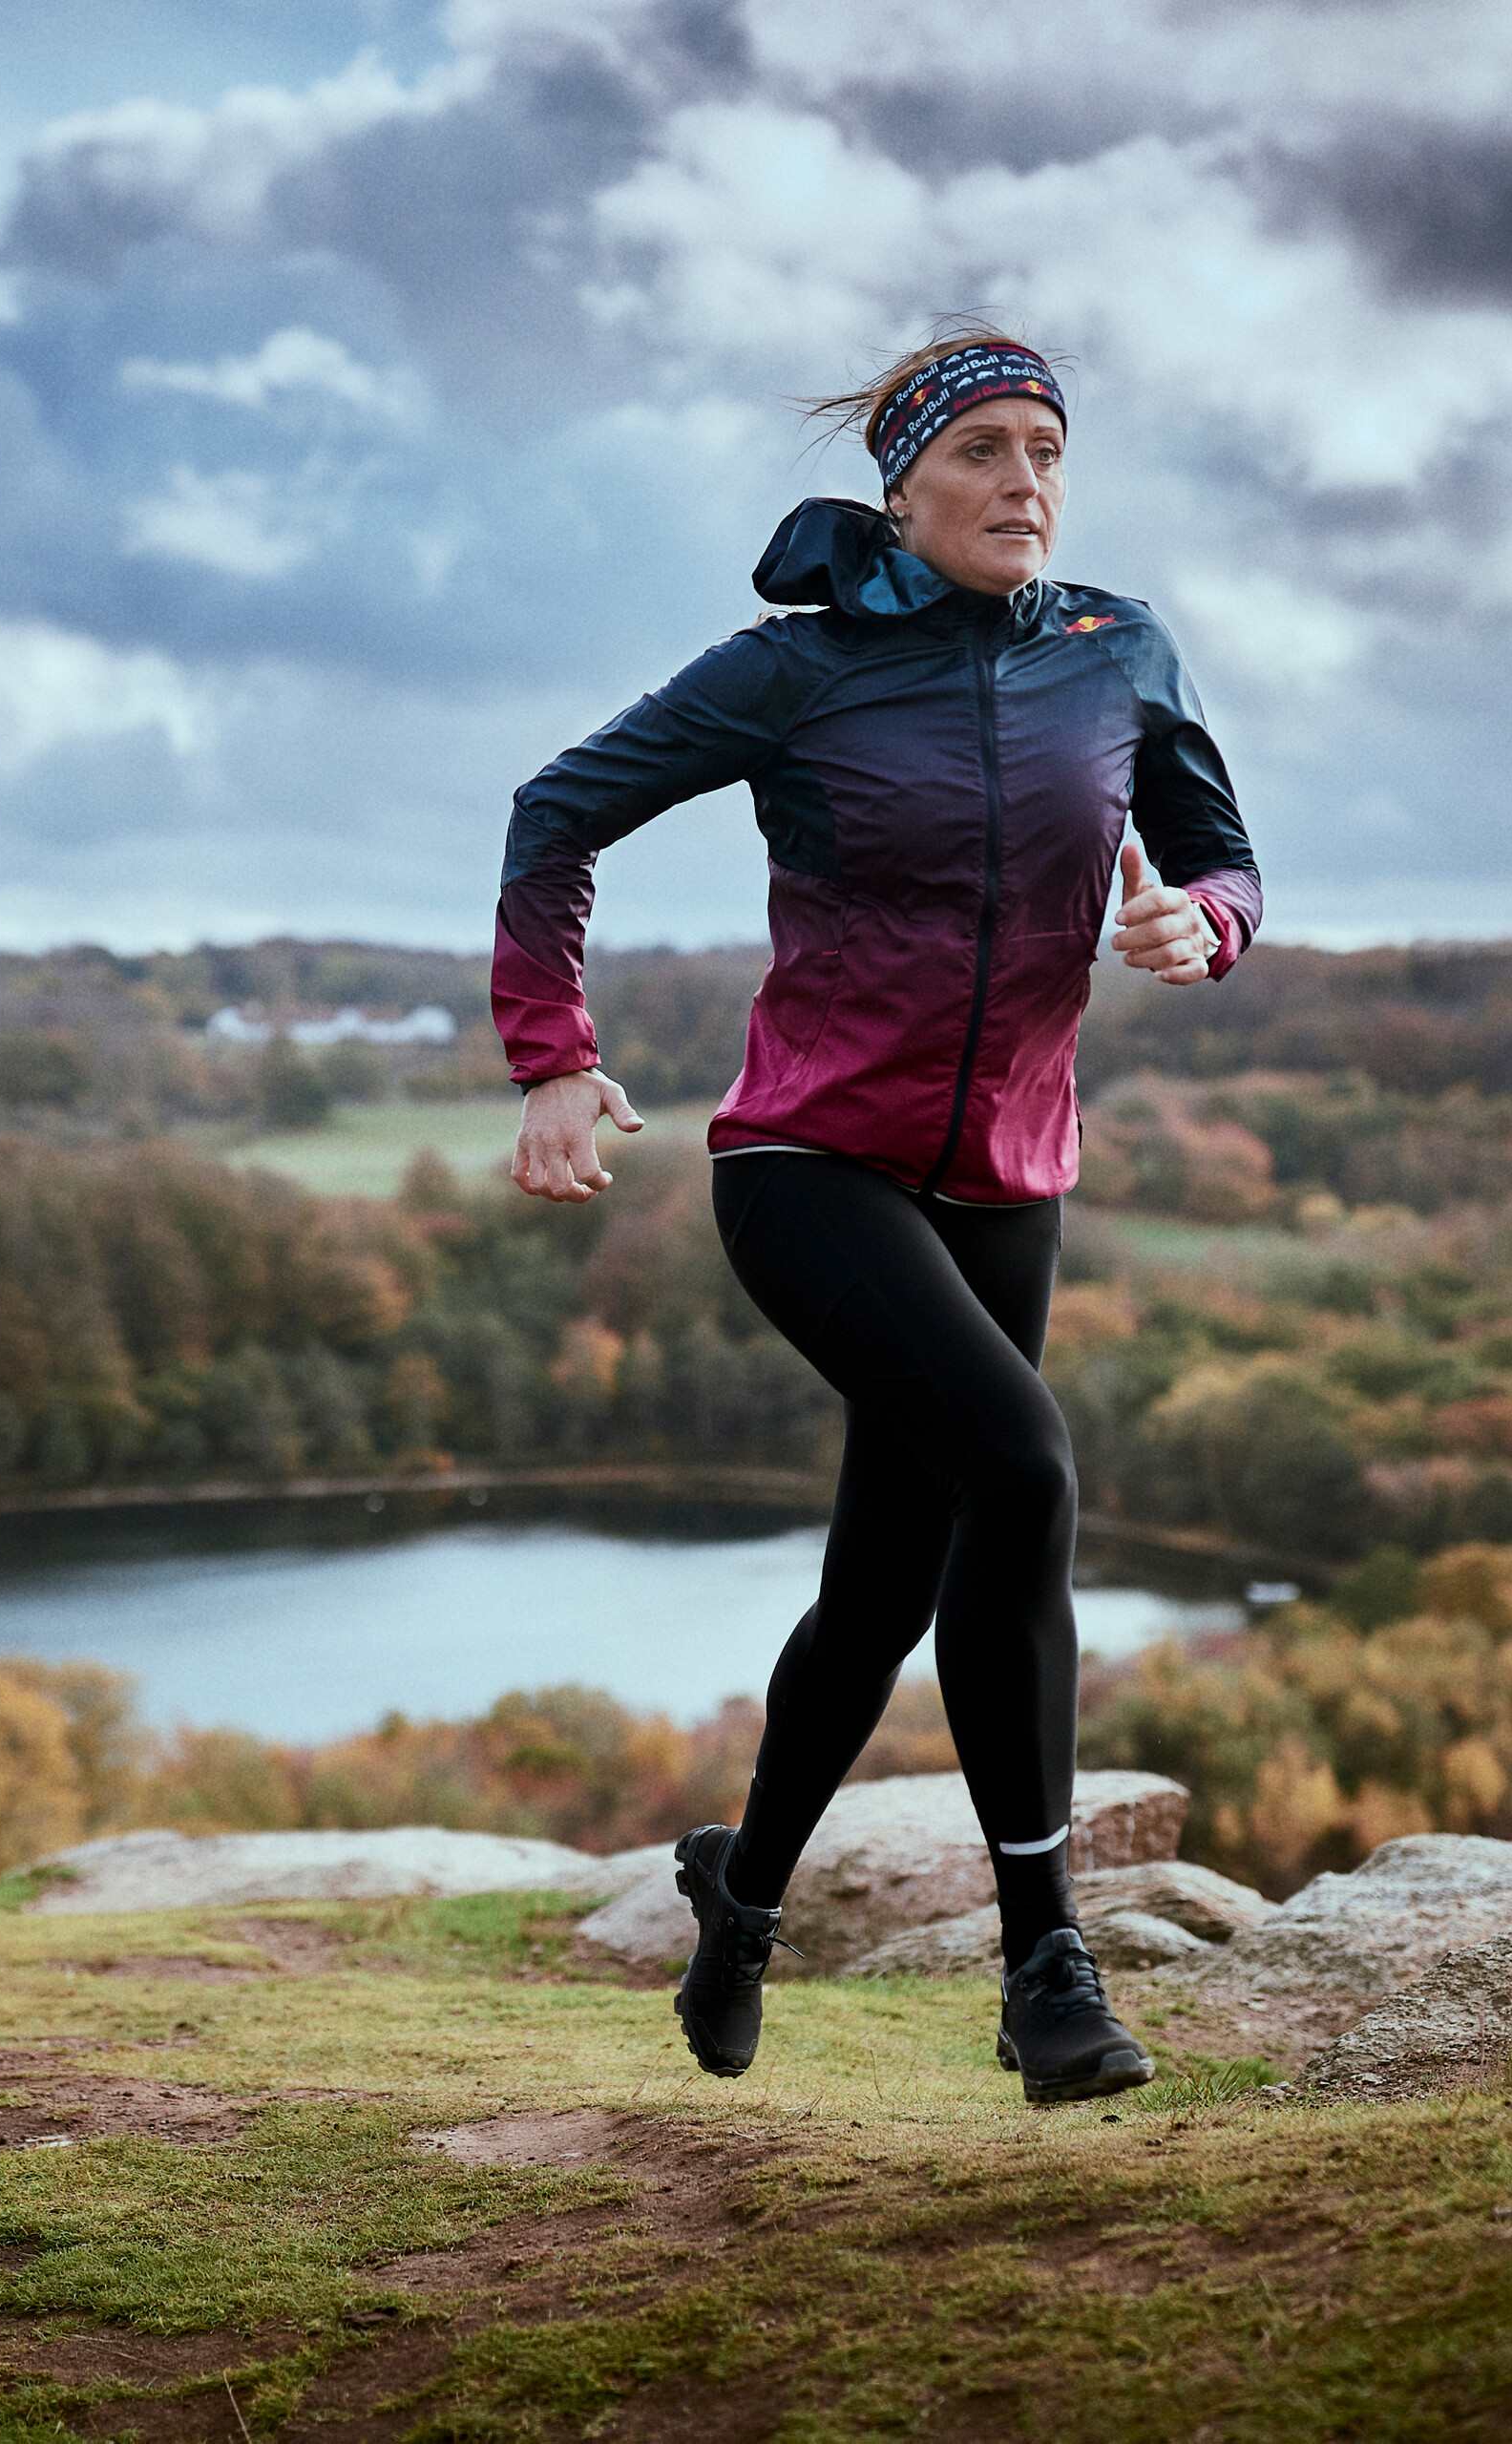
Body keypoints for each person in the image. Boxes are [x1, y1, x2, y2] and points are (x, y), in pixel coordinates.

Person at [490, 326, 1262, 2105]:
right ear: (902, 488)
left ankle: (743, 1892)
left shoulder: (1118, 650)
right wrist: (553, 1056)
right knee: (1027, 1470)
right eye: (983, 452)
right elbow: (557, 810)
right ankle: (1048, 1963)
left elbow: (1221, 857)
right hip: (811, 1163)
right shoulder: (797, 668)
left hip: (1006, 1177)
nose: (1024, 484)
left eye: (1046, 451)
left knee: (885, 1585)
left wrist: (1201, 923)